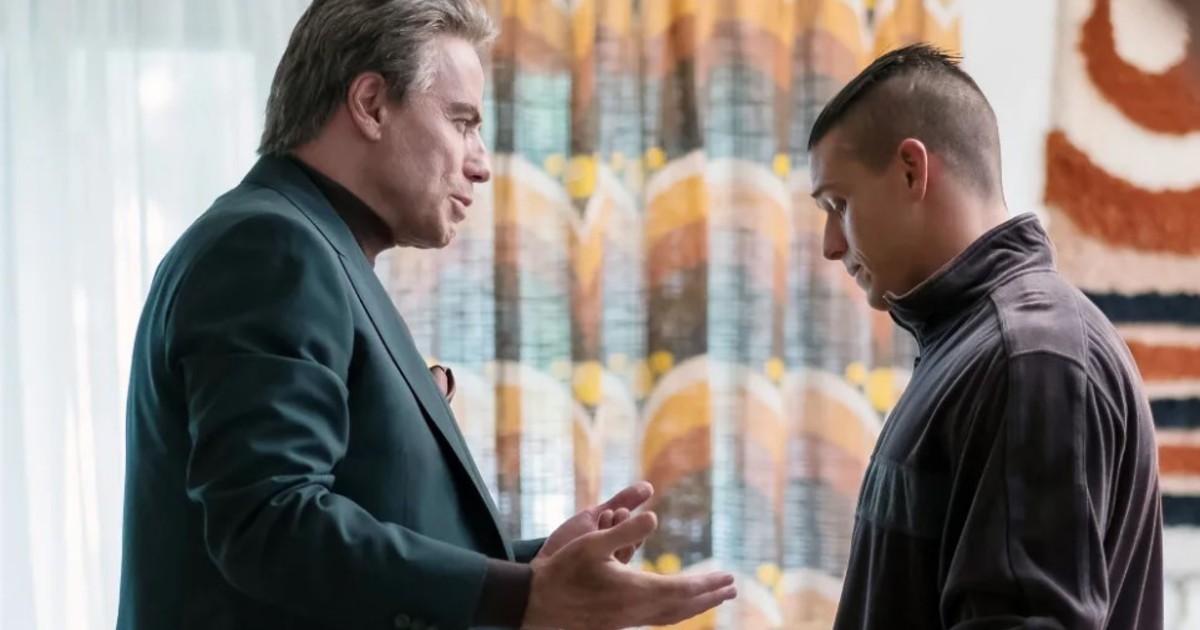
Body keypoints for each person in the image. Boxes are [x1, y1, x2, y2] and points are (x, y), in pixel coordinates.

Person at [114, 1, 737, 628]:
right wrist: (522, 595)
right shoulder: (273, 248)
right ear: (371, 104)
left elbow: (362, 531)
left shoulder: (308, 247)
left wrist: (540, 569)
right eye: (462, 122)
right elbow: (269, 525)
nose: (481, 163)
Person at [807, 44, 1163, 629]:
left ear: (911, 170)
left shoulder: (1030, 357)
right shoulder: (978, 347)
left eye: (838, 205)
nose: (830, 245)